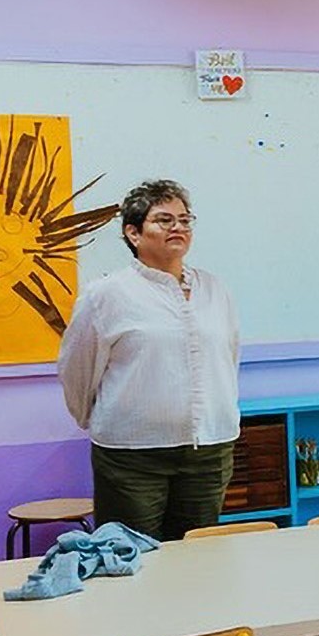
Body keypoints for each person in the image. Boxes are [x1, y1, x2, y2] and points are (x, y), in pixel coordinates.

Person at [58, 179, 240, 541]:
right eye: (164, 220)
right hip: (132, 455)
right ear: (134, 233)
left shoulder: (214, 289)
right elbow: (76, 369)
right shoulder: (107, 294)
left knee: (198, 558)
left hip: (208, 450)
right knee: (132, 557)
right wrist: (96, 419)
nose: (178, 227)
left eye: (185, 220)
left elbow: (228, 358)